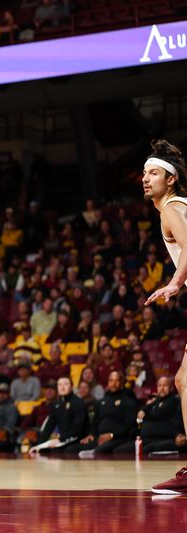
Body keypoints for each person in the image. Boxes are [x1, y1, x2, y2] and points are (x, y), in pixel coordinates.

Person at [142, 139, 187, 494]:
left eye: (154, 172)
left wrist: (173, 283)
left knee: (185, 382)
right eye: (144, 172)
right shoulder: (174, 207)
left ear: (170, 179)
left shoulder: (172, 207)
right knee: (184, 381)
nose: (146, 178)